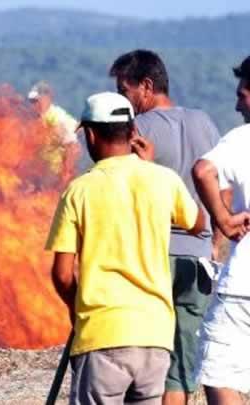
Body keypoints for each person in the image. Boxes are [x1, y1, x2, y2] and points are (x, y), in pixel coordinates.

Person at [46, 91, 206, 405]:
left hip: (102, 335)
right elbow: (198, 223)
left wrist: (77, 310)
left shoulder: (79, 190)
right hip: (156, 337)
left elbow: (63, 275)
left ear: (90, 135)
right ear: (133, 133)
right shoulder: (163, 179)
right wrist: (150, 169)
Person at [109, 49, 221, 405]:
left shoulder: (138, 128)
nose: (122, 100)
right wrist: (215, 242)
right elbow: (222, 185)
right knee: (182, 358)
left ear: (146, 86)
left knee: (144, 356)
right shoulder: (204, 122)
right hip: (200, 257)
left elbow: (121, 187)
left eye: (124, 92)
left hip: (153, 260)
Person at [192, 55, 250, 405]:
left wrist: (225, 219)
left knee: (217, 372)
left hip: (245, 288)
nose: (237, 104)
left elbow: (202, 171)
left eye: (242, 95)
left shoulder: (244, 139)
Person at [28, 81, 80, 181]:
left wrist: (66, 173)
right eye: (32, 101)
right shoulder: (38, 119)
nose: (34, 104)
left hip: (55, 176)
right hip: (41, 176)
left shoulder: (57, 117)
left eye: (37, 100)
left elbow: (72, 147)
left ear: (47, 98)